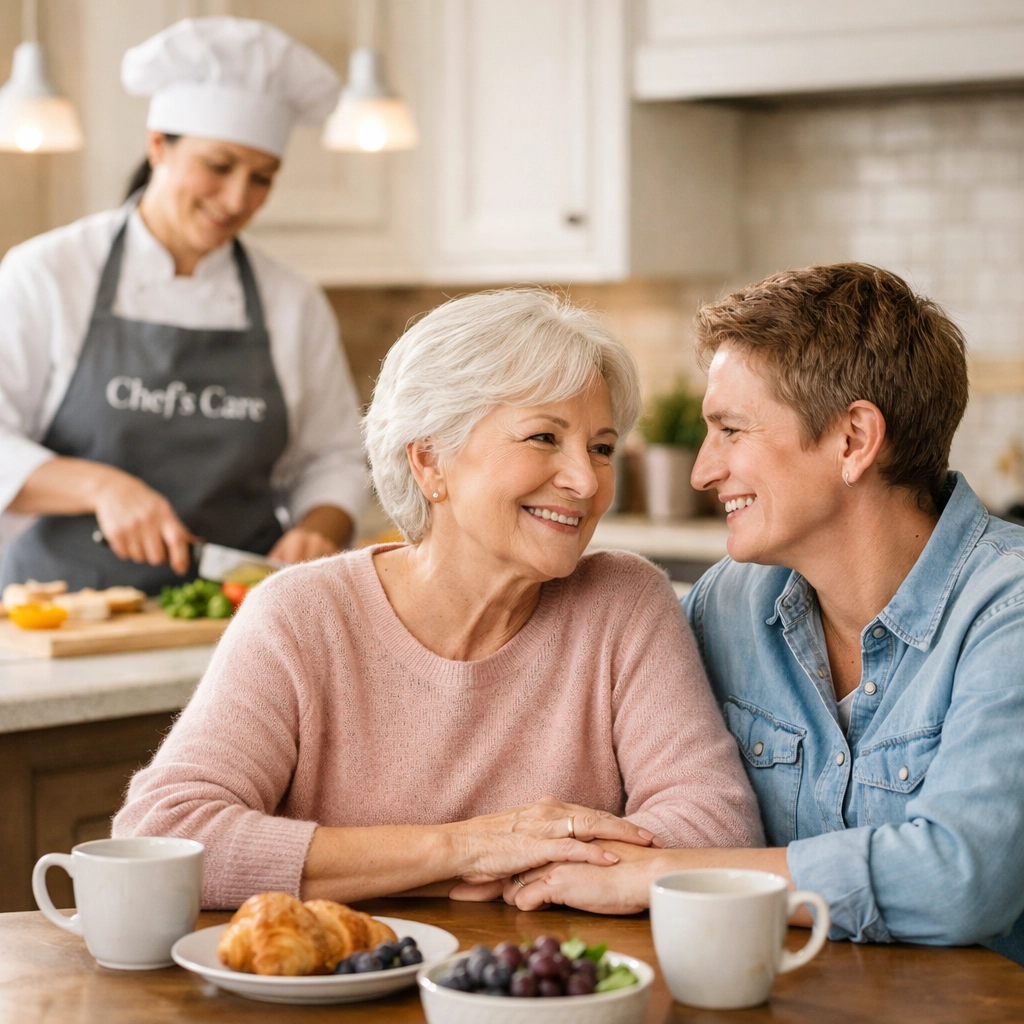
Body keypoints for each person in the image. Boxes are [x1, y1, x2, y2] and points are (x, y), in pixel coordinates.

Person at [112, 289, 762, 909]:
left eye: (601, 448)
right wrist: (461, 851)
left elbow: (715, 828)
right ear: (429, 463)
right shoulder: (301, 616)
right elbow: (162, 837)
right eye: (544, 437)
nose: (585, 480)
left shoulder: (624, 602)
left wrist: (505, 867)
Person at [487, 265, 1024, 967]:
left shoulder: (1006, 612)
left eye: (731, 430)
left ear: (854, 439)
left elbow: (962, 878)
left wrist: (677, 876)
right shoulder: (731, 602)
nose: (702, 472)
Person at [0, 17, 367, 593]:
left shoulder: (291, 300)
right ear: (157, 147)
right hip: (61, 612)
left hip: (236, 622)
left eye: (262, 178)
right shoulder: (47, 273)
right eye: (218, 167)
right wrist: (101, 487)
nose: (237, 199)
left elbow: (335, 457)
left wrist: (320, 527)